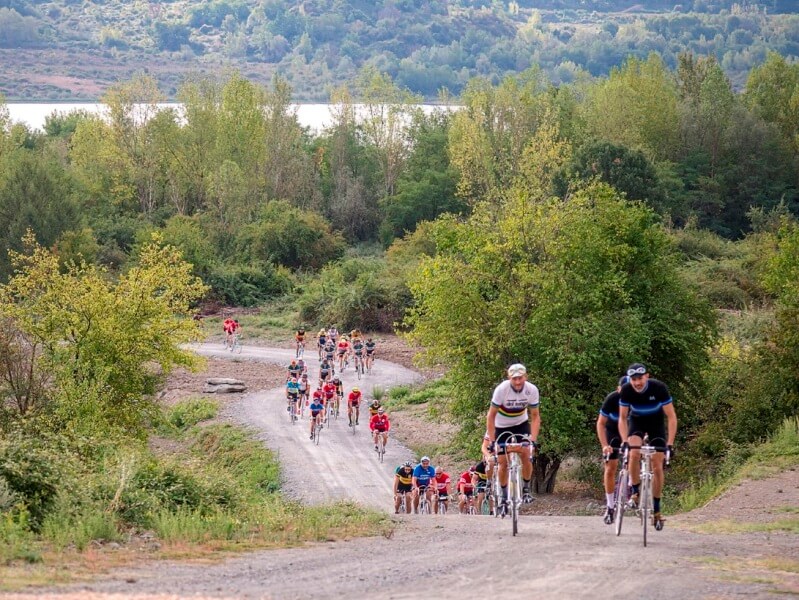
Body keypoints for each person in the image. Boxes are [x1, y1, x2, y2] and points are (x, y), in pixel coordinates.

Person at [619, 363, 676, 529]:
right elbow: (622, 418)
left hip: (656, 424)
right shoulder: (627, 390)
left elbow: (671, 417)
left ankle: (657, 511)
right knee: (634, 454)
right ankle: (635, 492)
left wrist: (670, 444)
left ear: (647, 376)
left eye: (640, 379)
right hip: (636, 423)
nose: (637, 383)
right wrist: (624, 441)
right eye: (634, 379)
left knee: (658, 466)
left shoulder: (659, 388)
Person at [486, 363, 540, 509]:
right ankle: (503, 497)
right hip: (500, 426)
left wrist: (533, 440)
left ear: (525, 377)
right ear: (509, 377)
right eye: (514, 379)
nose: (517, 382)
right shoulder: (501, 390)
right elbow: (490, 416)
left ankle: (526, 489)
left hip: (520, 424)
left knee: (526, 453)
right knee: (502, 462)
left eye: (520, 378)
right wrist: (492, 441)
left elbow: (535, 416)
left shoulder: (531, 390)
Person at [596, 376, 629, 524]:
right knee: (610, 468)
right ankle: (610, 506)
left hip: (631, 432)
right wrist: (604, 445)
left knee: (635, 457)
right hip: (612, 432)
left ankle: (632, 489)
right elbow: (601, 424)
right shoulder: (612, 399)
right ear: (618, 389)